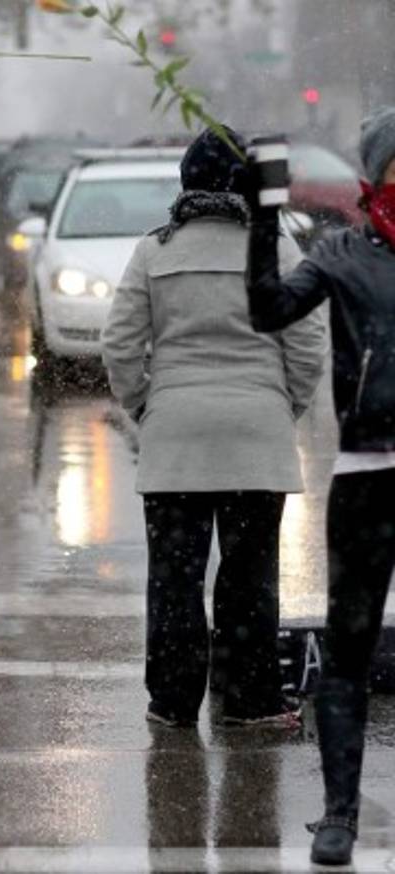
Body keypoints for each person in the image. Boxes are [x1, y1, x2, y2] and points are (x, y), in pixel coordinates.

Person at [103, 126, 326, 730]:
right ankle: (249, 699)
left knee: (175, 580)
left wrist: (148, 405)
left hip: (175, 437)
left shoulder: (155, 251)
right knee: (249, 577)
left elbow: (120, 344)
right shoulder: (275, 250)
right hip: (257, 435)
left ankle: (172, 702)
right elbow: (307, 344)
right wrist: (284, 407)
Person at [246, 109, 395, 867]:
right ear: (377, 177)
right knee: (349, 647)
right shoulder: (340, 252)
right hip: (370, 474)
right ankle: (338, 813)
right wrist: (261, 218)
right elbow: (268, 309)